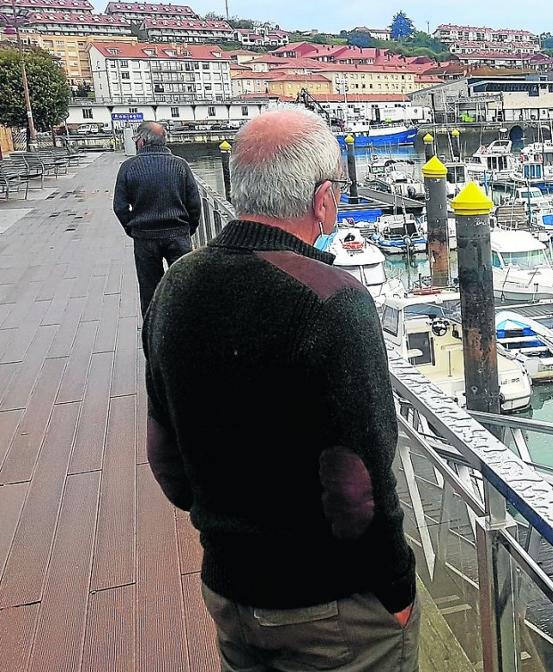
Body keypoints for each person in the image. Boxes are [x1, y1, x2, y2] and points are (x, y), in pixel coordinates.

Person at [142, 106, 418, 671]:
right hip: (328, 607)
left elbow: (163, 451)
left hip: (228, 587)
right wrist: (396, 591)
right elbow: (358, 483)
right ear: (324, 200)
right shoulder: (332, 298)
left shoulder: (175, 285)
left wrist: (229, 532)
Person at [112, 121, 202, 315]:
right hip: (178, 236)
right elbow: (194, 204)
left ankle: (152, 333)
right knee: (184, 288)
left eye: (136, 139)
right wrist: (188, 229)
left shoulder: (128, 167)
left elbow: (119, 207)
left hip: (144, 238)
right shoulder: (180, 165)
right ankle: (185, 328)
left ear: (142, 141)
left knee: (149, 290)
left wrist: (133, 229)